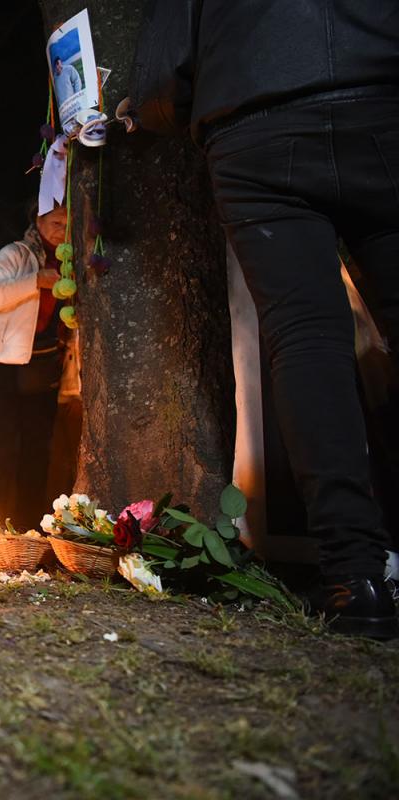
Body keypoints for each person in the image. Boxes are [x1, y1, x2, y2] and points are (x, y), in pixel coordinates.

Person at [176, 0, 399, 638]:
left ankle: (355, 577)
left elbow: (170, 49)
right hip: (378, 80)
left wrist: (161, 101)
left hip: (254, 106)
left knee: (304, 341)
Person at [0, 204, 67, 529]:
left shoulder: (74, 259)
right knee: (4, 443)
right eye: (55, 222)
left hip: (44, 362)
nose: (61, 230)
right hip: (2, 361)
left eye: (68, 223)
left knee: (37, 447)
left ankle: (29, 528)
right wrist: (35, 281)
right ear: (37, 220)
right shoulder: (16, 254)